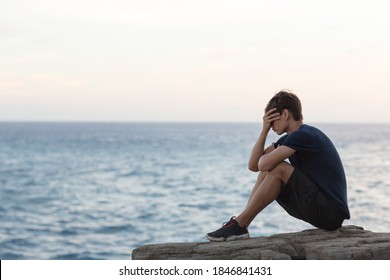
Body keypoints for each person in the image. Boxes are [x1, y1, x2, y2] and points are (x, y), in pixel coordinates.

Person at [206, 90, 350, 241]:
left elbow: (264, 163)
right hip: (321, 209)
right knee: (270, 166)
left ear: (285, 114)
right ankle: (240, 225)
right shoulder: (290, 139)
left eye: (272, 120)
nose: (271, 126)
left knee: (278, 168)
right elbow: (254, 165)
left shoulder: (304, 135)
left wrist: (266, 152)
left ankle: (240, 224)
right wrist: (264, 131)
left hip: (330, 212)